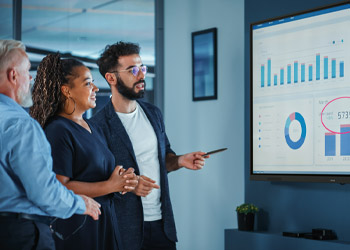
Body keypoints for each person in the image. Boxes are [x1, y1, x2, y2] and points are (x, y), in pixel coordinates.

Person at [91, 41, 208, 250]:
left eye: (142, 68)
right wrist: (130, 185)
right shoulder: (98, 126)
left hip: (163, 225)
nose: (141, 75)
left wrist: (180, 160)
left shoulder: (153, 113)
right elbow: (98, 180)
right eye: (133, 70)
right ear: (111, 77)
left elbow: (163, 158)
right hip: (124, 230)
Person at [0, 40, 102, 250]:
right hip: (19, 234)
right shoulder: (20, 125)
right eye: (27, 71)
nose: (30, 78)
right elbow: (43, 192)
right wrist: (80, 203)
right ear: (13, 75)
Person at [29, 54, 138, 250]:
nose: (95, 88)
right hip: (79, 229)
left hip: (103, 222)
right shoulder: (58, 131)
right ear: (66, 91)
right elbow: (59, 187)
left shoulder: (90, 126)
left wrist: (122, 181)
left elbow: (95, 174)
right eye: (88, 84)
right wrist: (109, 185)